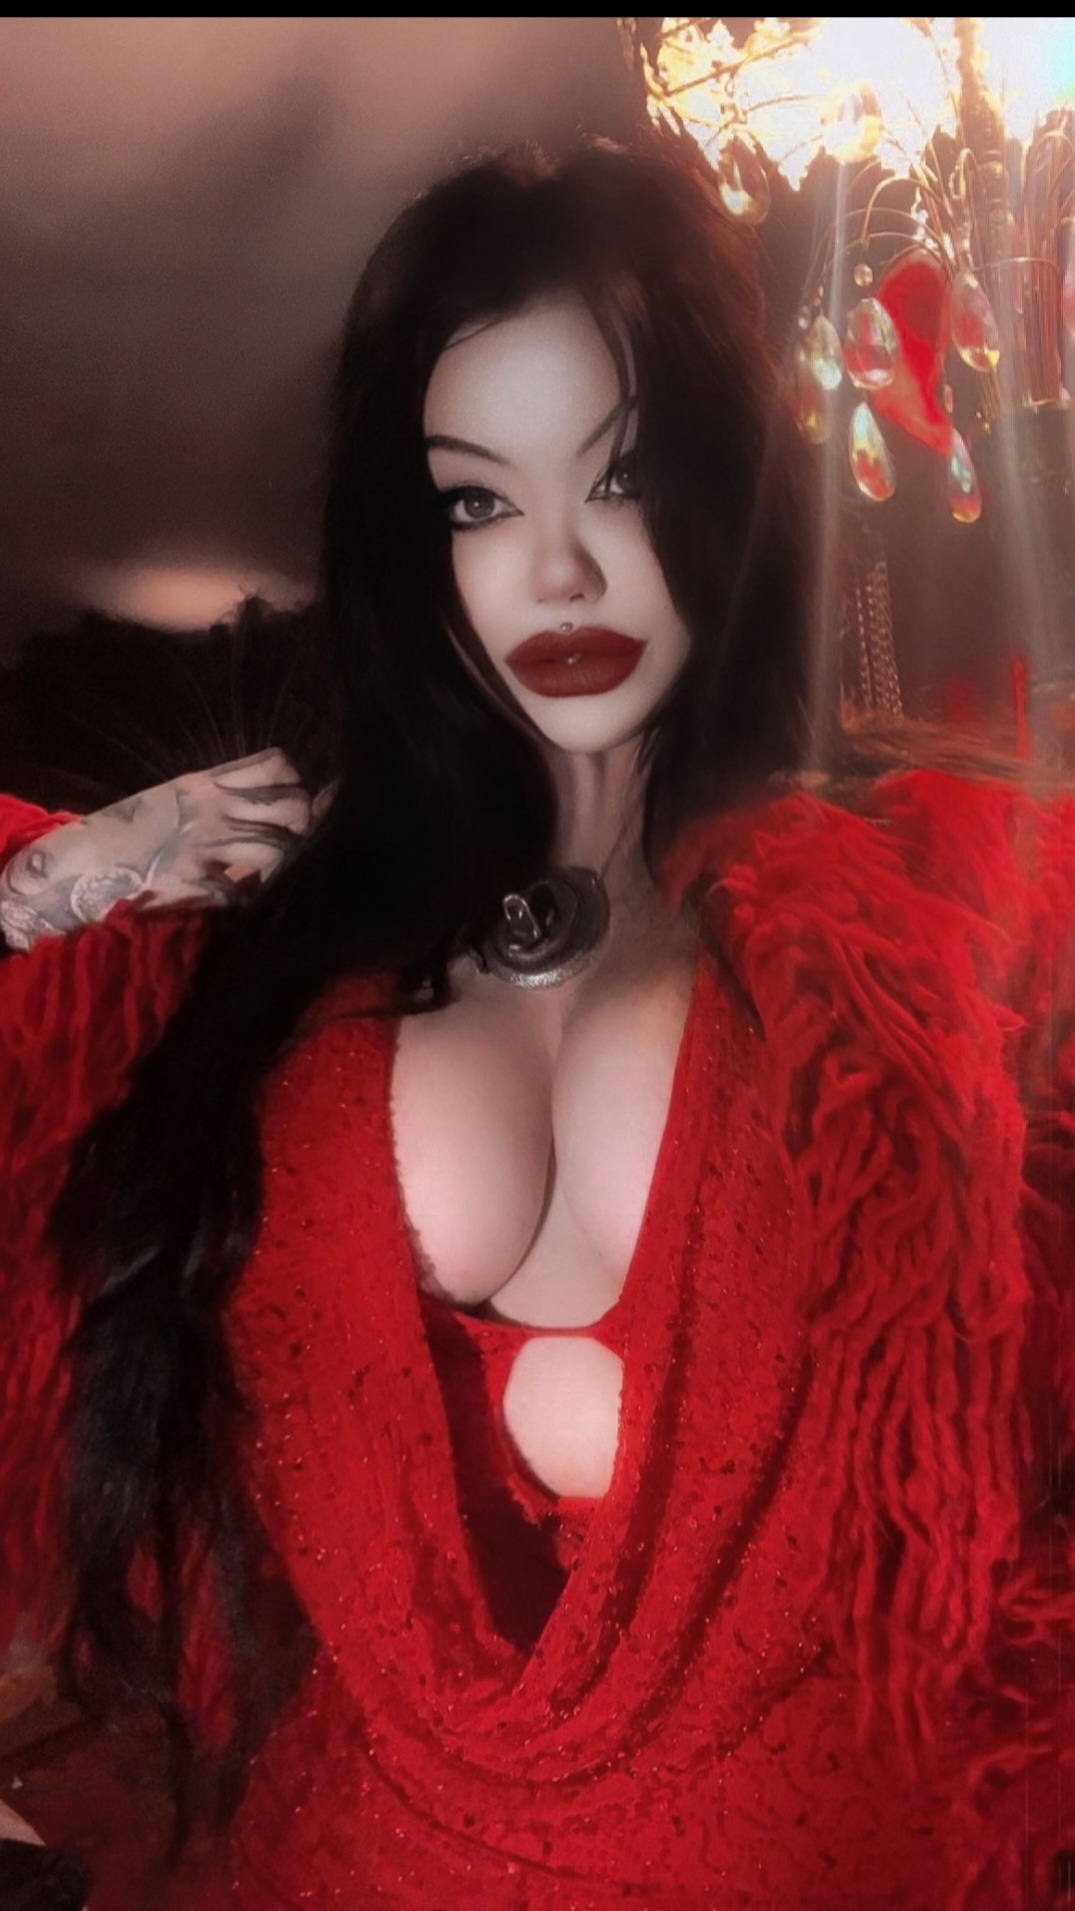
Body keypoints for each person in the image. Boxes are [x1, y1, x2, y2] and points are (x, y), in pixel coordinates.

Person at [0, 135, 1072, 1911]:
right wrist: (62, 877)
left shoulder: (934, 934)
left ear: (729, 481)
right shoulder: (290, 949)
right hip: (346, 1864)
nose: (558, 570)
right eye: (478, 503)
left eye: (622, 475)